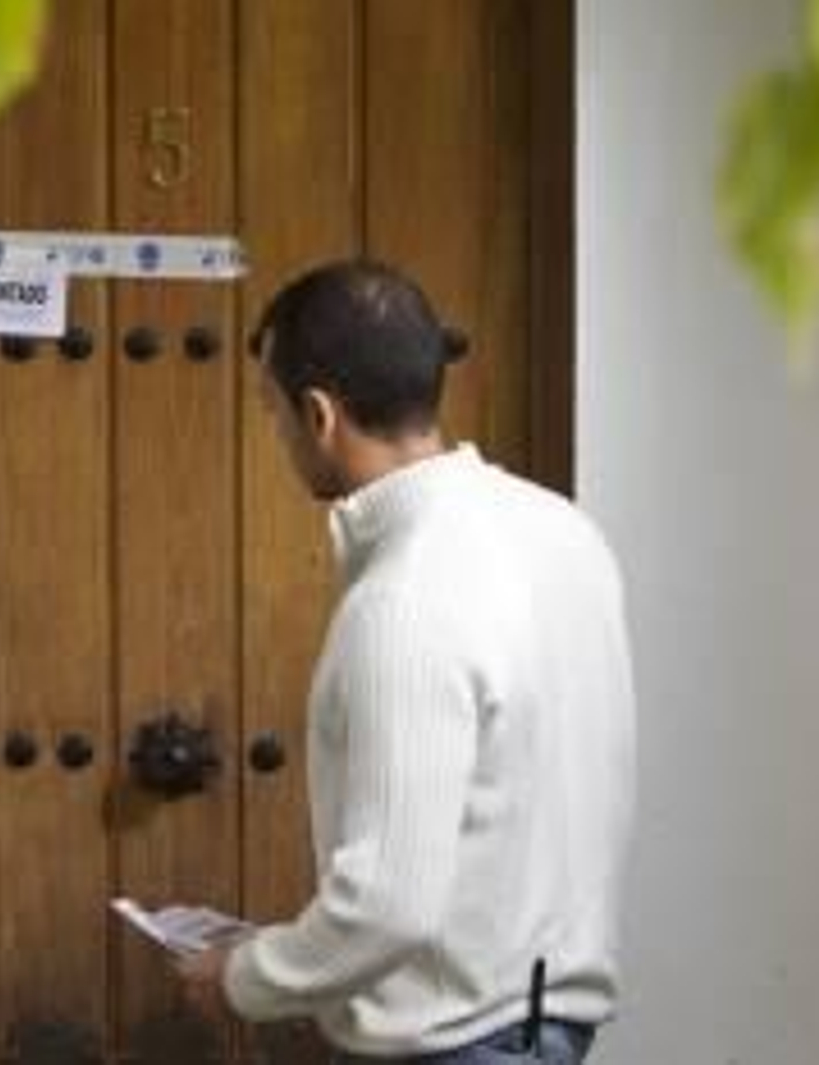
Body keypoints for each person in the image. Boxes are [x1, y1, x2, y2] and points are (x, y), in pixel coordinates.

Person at [177, 261, 636, 1064]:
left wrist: (243, 976)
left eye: (273, 411)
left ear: (319, 414)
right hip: (546, 1027)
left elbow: (389, 906)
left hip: (457, 1045)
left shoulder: (403, 598)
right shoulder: (567, 532)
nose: (277, 435)